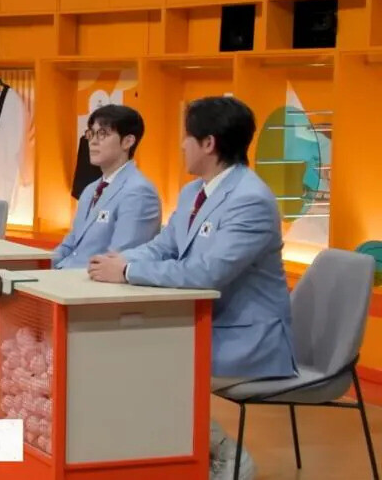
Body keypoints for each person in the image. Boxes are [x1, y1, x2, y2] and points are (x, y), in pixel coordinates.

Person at [88, 96, 295, 480]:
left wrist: (129, 271)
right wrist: (115, 261)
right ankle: (156, 457)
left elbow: (207, 273)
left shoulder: (251, 200)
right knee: (121, 350)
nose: (181, 145)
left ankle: (225, 455)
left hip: (248, 337)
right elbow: (164, 246)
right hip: (201, 324)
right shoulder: (192, 193)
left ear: (209, 143)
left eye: (187, 137)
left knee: (142, 363)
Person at [52, 104, 161, 269]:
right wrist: (41, 267)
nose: (93, 141)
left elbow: (117, 261)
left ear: (128, 141)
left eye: (103, 134)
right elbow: (69, 244)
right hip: (64, 275)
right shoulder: (90, 190)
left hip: (92, 281)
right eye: (91, 133)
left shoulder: (139, 192)